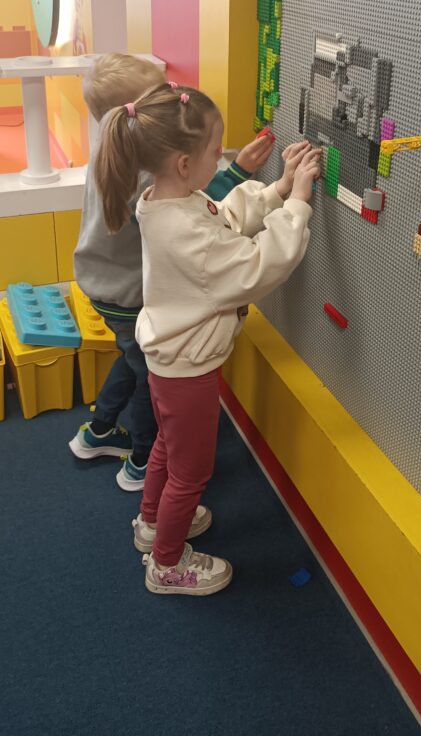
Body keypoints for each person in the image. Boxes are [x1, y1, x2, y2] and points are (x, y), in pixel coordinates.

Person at [94, 81, 320, 596]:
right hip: (187, 371)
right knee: (190, 473)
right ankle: (166, 565)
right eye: (216, 151)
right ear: (183, 163)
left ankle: (152, 522)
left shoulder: (166, 203)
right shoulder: (186, 231)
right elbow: (258, 264)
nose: (222, 158)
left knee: (168, 450)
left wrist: (276, 189)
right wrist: (297, 205)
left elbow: (222, 220)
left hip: (167, 360)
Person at [69, 53, 276, 491]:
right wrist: (239, 171)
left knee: (132, 358)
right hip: (129, 294)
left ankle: (98, 431)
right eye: (158, 96)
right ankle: (142, 462)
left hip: (102, 286)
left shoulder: (110, 148)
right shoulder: (143, 176)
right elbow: (194, 205)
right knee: (151, 379)